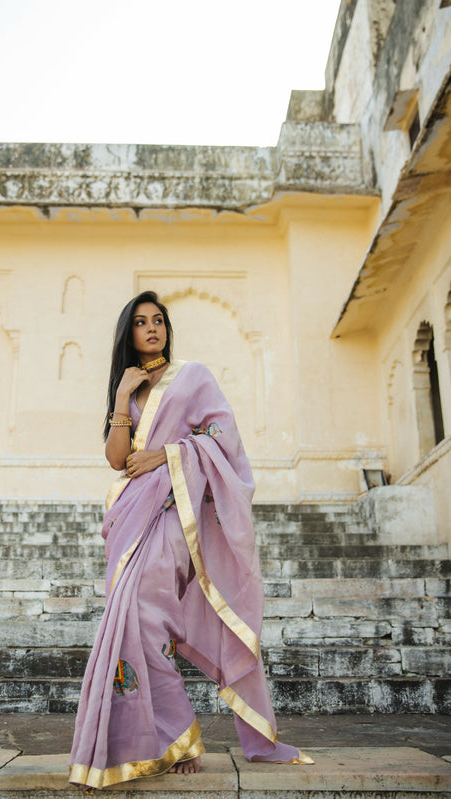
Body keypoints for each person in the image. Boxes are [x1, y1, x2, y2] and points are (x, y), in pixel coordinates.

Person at [69, 291, 313, 791]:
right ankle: (157, 740)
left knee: (143, 615)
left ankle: (177, 734)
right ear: (128, 334)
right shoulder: (130, 388)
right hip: (131, 517)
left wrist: (166, 455)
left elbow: (224, 439)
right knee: (135, 625)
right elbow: (117, 459)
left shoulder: (193, 376)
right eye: (141, 322)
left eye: (158, 320)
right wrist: (120, 397)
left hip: (174, 516)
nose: (152, 328)